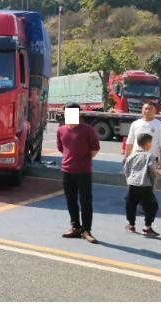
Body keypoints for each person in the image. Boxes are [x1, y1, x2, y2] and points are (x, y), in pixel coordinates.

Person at [56, 103, 101, 243]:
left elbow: (95, 149)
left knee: (85, 202)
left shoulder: (88, 130)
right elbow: (61, 148)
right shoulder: (61, 130)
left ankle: (86, 230)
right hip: (67, 170)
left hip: (83, 171)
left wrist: (83, 160)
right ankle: (75, 227)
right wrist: (70, 159)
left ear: (79, 114)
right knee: (71, 200)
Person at [123, 133, 160, 237]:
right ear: (148, 144)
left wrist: (129, 180)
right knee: (152, 206)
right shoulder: (150, 156)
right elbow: (152, 171)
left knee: (131, 205)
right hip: (145, 185)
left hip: (132, 184)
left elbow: (126, 169)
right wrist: (153, 184)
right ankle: (147, 227)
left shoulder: (131, 156)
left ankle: (131, 224)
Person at [124, 101, 161, 171]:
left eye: (150, 109)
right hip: (136, 157)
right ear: (142, 110)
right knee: (135, 177)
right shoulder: (135, 124)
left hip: (152, 158)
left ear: (155, 111)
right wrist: (126, 156)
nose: (147, 111)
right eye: (145, 109)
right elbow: (130, 141)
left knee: (149, 177)